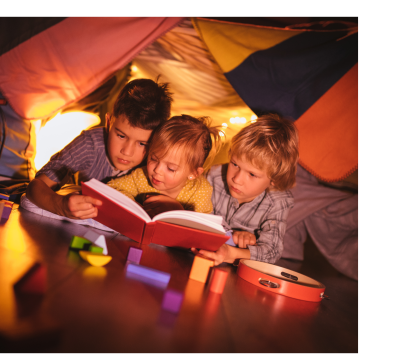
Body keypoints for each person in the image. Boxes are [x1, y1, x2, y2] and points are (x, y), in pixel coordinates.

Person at [25, 78, 173, 220]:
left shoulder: (159, 162)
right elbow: (36, 186)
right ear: (109, 122)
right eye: (121, 136)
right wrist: (61, 205)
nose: (127, 152)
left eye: (142, 144)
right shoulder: (90, 144)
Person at [192, 113, 299, 265]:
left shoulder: (278, 201)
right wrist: (232, 235)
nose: (237, 179)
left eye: (252, 174)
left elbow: (272, 251)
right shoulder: (213, 176)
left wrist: (231, 252)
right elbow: (195, 218)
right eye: (235, 164)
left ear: (274, 179)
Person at [107, 115, 222, 217]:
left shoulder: (200, 191)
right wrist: (133, 205)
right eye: (153, 159)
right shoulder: (141, 176)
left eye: (171, 168)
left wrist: (178, 210)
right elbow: (111, 187)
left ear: (194, 173)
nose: (157, 170)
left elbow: (201, 227)